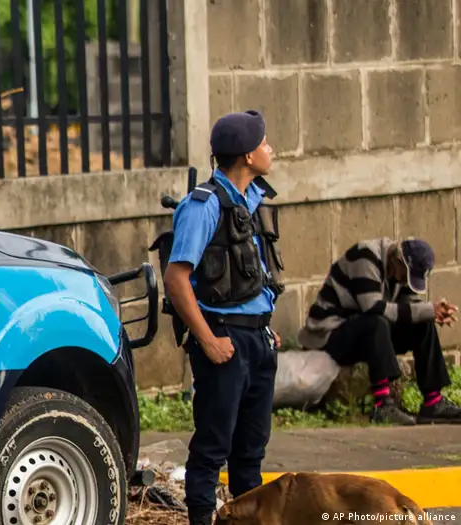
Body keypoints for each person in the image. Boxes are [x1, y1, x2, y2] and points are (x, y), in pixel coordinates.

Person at [163, 110, 285, 525]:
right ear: (248, 155)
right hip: (223, 341)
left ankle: (245, 518)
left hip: (257, 341)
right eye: (265, 143)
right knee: (214, 446)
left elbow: (251, 276)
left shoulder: (253, 201)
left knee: (251, 450)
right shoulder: (203, 206)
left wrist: (266, 328)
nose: (271, 149)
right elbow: (177, 279)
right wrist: (208, 340)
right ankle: (200, 518)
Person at [298, 237, 461, 425]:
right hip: (330, 334)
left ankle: (433, 402)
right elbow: (372, 307)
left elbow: (410, 306)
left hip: (364, 332)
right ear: (397, 260)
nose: (404, 281)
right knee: (376, 322)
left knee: (423, 323)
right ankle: (383, 404)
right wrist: (427, 310)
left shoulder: (398, 272)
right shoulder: (365, 257)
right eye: (405, 276)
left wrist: (434, 313)